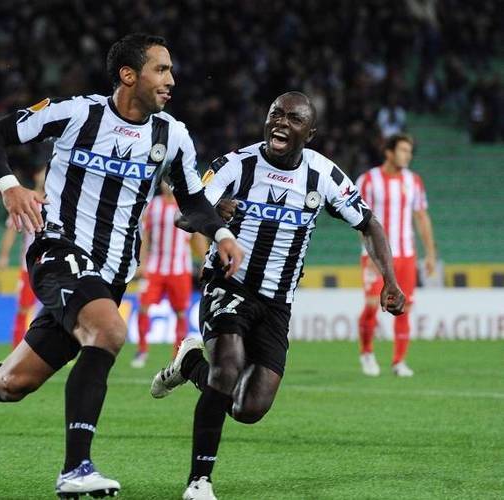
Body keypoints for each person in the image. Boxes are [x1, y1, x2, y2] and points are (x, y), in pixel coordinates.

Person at [0, 33, 243, 498]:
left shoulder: (171, 136)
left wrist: (221, 234)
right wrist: (10, 186)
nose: (171, 79)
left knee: (12, 383)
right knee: (109, 331)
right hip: (58, 249)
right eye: (161, 69)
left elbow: (192, 201)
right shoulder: (76, 114)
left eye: (171, 70)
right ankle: (76, 468)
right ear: (128, 75)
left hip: (111, 275)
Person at [150, 92, 406, 500]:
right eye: (275, 114)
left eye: (293, 118)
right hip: (228, 285)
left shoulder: (323, 175)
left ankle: (191, 363)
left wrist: (390, 281)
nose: (281, 122)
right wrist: (215, 215)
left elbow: (369, 223)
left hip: (276, 302)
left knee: (249, 408)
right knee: (227, 367)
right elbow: (187, 213)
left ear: (310, 132)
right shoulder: (236, 165)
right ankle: (199, 482)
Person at [356, 133, 436, 377]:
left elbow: (421, 217)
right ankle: (367, 352)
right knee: (372, 305)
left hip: (406, 254)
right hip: (377, 256)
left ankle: (399, 361)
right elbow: (360, 220)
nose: (407, 155)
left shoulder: (414, 181)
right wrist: (370, 253)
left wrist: (430, 253)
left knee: (404, 307)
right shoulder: (368, 180)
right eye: (403, 150)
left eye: (409, 151)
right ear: (389, 152)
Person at [132, 180, 207, 368]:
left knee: (180, 312)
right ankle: (142, 351)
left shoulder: (187, 206)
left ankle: (177, 355)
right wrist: (142, 262)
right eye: (166, 181)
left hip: (179, 269)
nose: (168, 185)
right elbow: (145, 236)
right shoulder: (153, 205)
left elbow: (197, 235)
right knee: (143, 307)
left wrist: (205, 261)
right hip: (155, 267)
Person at [0, 168, 45, 348]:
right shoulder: (25, 200)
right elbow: (11, 231)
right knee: (24, 308)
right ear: (36, 175)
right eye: (43, 171)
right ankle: (16, 350)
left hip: (54, 266)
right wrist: (4, 256)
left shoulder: (59, 201)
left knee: (60, 309)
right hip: (29, 267)